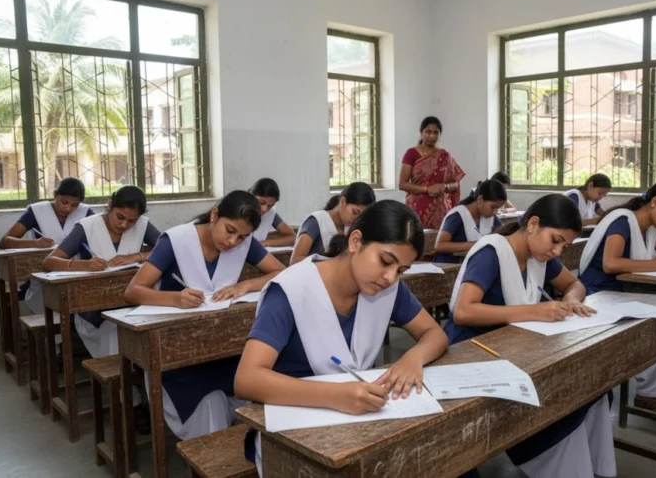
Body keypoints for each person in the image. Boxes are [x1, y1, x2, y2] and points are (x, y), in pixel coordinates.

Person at [234, 200, 448, 476]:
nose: (390, 277)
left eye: (401, 270)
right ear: (355, 241)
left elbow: (434, 334)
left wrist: (413, 358)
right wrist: (335, 395)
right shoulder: (291, 290)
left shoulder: (386, 289)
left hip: (358, 424)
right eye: (385, 261)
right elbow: (247, 379)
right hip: (291, 432)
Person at [445, 194, 613, 478]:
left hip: (515, 345)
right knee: (556, 394)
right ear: (533, 224)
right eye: (555, 240)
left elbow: (575, 284)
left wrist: (571, 299)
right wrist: (534, 311)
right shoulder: (492, 252)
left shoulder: (539, 257)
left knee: (588, 385)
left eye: (564, 246)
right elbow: (463, 311)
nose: (557, 251)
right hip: (472, 349)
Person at [123, 191, 285, 440]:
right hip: (177, 354)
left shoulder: (244, 243)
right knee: (210, 403)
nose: (233, 241)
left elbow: (280, 273)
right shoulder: (176, 241)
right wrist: (175, 299)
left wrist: (244, 286)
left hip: (221, 349)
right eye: (229, 231)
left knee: (259, 383)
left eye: (242, 237)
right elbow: (132, 291)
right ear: (214, 215)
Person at [578, 180, 656, 414]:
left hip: (628, 289)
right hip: (600, 292)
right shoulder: (622, 221)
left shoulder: (654, 226)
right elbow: (611, 263)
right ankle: (652, 391)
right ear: (655, 202)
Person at [43, 185, 160, 357]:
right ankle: (121, 372)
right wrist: (84, 265)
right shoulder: (87, 226)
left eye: (131, 221)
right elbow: (49, 262)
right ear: (110, 206)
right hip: (93, 309)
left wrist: (137, 256)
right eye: (120, 217)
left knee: (152, 329)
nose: (124, 224)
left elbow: (167, 249)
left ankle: (141, 371)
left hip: (131, 302)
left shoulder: (142, 224)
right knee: (115, 331)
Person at [0, 177, 95, 314]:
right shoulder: (38, 211)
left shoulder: (85, 212)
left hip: (78, 274)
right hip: (44, 277)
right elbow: (4, 242)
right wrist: (35, 243)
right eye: (64, 202)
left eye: (74, 205)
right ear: (55, 195)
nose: (68, 208)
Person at [399, 116, 465, 229]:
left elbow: (455, 183)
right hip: (417, 208)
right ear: (421, 132)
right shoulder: (411, 154)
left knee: (440, 237)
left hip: (441, 210)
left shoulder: (445, 155)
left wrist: (444, 186)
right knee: (417, 236)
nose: (432, 136)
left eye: (436, 132)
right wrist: (427, 189)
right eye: (428, 132)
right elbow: (403, 184)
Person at [290, 182, 375, 264]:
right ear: (342, 201)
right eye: (355, 212)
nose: (356, 219)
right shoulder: (316, 222)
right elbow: (295, 260)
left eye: (361, 216)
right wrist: (330, 264)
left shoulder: (350, 229)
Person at [432, 180, 506, 263]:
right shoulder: (457, 215)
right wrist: (476, 244)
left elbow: (503, 237)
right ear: (480, 199)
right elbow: (439, 246)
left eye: (498, 208)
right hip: (451, 264)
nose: (495, 212)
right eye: (493, 207)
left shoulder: (491, 217)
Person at [249, 177, 296, 246]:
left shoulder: (269, 213)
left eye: (270, 206)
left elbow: (293, 237)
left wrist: (264, 243)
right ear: (251, 195)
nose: (264, 209)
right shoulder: (238, 208)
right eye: (261, 203)